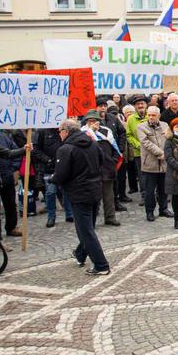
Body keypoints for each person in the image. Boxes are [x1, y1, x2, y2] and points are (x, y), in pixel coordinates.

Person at [53, 119, 110, 276]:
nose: (59, 134)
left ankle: (101, 265)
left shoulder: (66, 148)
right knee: (88, 227)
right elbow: (101, 161)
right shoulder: (92, 142)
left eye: (60, 131)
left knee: (85, 231)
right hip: (95, 189)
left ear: (66, 130)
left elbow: (61, 174)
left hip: (79, 193)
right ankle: (80, 254)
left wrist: (53, 178)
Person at [82, 110, 123, 226]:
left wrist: (113, 161)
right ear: (86, 122)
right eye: (90, 121)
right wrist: (92, 132)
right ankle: (92, 220)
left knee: (109, 195)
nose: (93, 123)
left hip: (107, 167)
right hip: (91, 170)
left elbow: (115, 148)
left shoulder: (106, 131)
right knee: (93, 197)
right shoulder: (83, 133)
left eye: (95, 120)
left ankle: (110, 217)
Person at [136, 105, 171, 221]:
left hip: (164, 164)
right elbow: (145, 143)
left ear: (158, 116)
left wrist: (167, 152)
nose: (150, 117)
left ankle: (164, 209)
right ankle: (149, 212)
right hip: (150, 164)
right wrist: (160, 152)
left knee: (163, 188)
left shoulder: (165, 125)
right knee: (149, 191)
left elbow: (169, 139)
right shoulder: (141, 127)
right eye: (149, 115)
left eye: (153, 115)